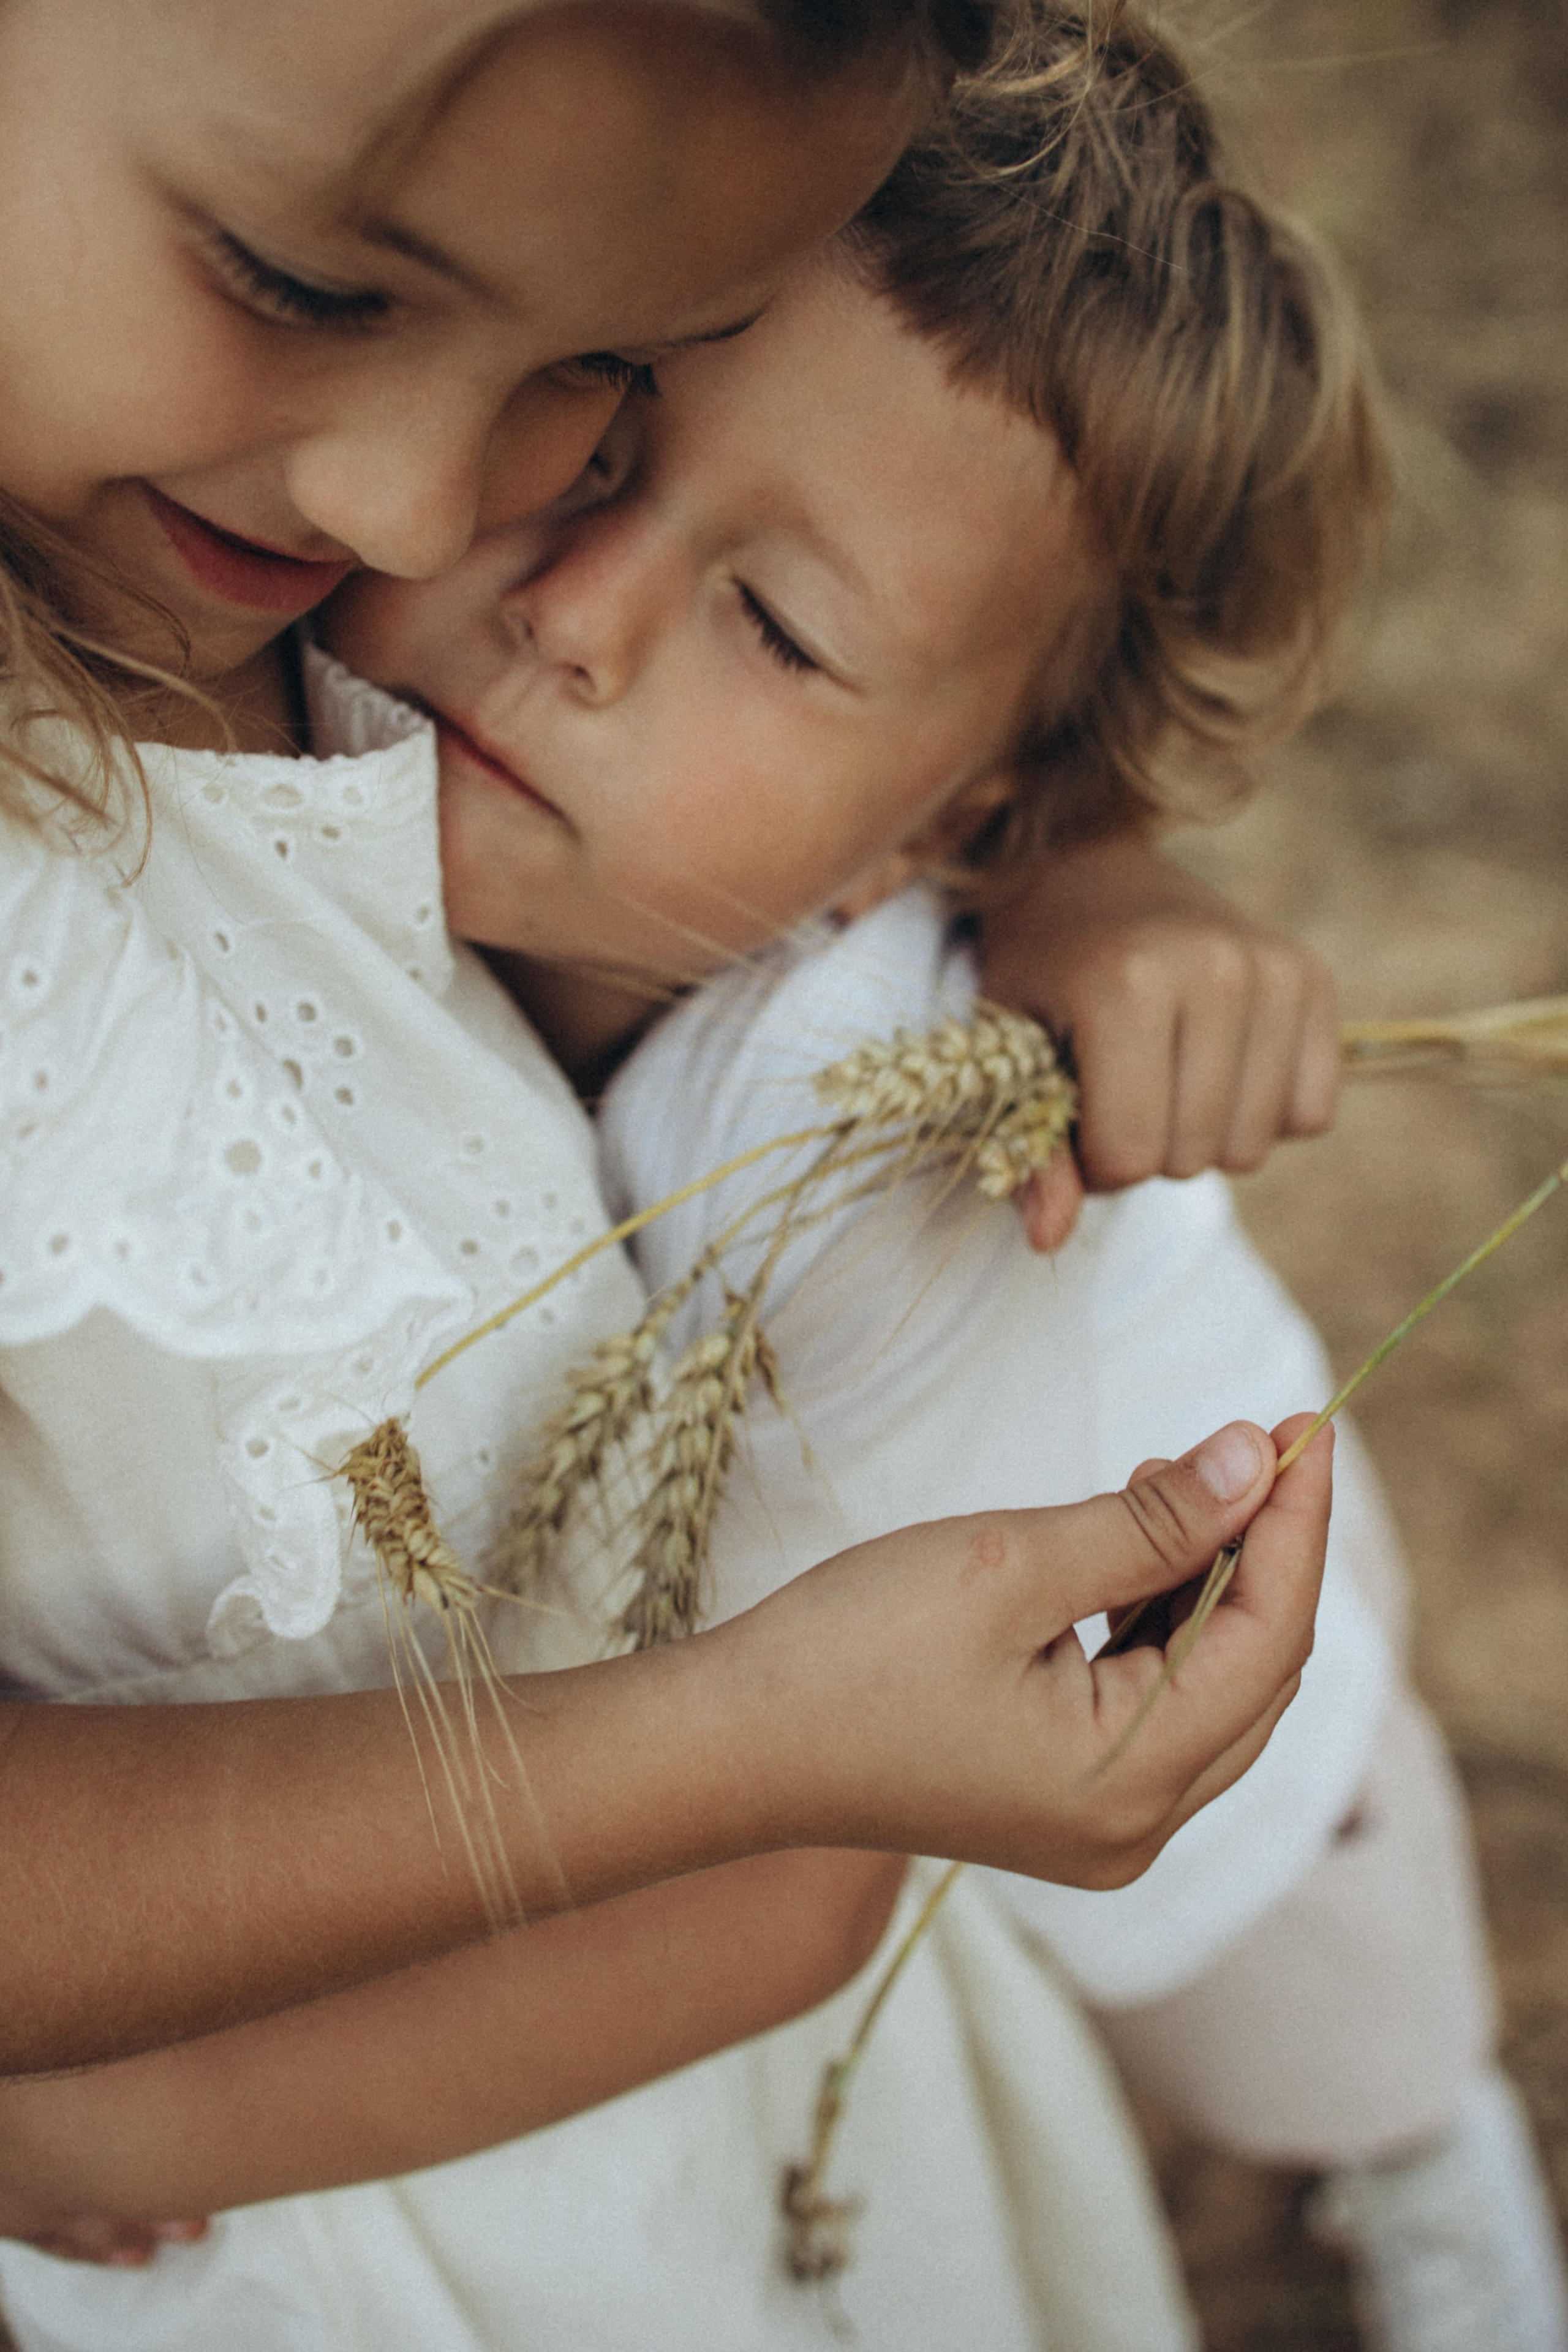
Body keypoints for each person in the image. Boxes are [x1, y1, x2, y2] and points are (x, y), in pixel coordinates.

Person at [0, 0, 1288, 2080]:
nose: (438, 525)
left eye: (586, 378)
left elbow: (804, 1880)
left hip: (1080, 1840)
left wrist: (1075, 870)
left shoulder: (869, 1145)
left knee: (1327, 2006)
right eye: (595, 441)